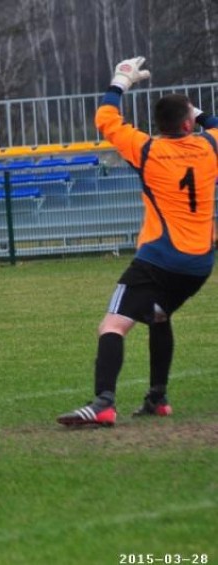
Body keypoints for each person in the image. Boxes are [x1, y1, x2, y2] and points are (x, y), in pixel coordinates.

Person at [57, 57, 218, 427]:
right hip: (198, 264)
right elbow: (212, 125)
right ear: (188, 124)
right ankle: (158, 398)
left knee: (112, 326)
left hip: (159, 257)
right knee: (158, 316)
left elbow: (106, 121)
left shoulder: (148, 151)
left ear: (159, 126)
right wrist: (199, 112)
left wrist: (120, 82)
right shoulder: (209, 147)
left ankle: (104, 403)